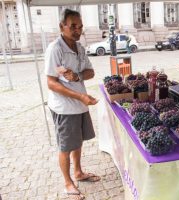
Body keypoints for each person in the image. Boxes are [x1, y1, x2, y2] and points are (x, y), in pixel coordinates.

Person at [44, 9, 100, 200]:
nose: (78, 30)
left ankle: (78, 172)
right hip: (64, 108)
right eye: (73, 26)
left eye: (80, 27)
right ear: (62, 26)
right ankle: (68, 183)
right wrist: (79, 96)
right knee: (66, 146)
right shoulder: (55, 49)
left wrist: (77, 76)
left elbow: (90, 73)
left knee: (78, 142)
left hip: (80, 104)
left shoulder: (80, 48)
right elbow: (51, 83)